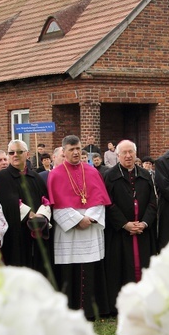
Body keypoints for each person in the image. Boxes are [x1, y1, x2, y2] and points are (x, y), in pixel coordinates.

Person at [48, 135, 111, 319]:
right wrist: (77, 220)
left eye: (78, 149)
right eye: (71, 149)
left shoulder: (92, 172)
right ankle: (71, 311)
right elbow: (55, 205)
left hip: (90, 227)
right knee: (70, 270)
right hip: (69, 231)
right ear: (64, 151)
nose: (76, 152)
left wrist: (88, 218)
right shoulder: (56, 174)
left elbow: (100, 200)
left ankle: (91, 311)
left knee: (90, 268)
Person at [103, 140, 157, 313]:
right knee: (121, 267)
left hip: (142, 230)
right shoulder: (110, 176)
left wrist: (144, 223)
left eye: (131, 152)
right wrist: (125, 224)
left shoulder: (145, 174)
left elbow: (153, 202)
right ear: (117, 156)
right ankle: (122, 305)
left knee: (143, 266)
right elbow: (108, 204)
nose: (128, 156)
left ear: (135, 154)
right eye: (124, 153)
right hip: (121, 232)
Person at [0, 139, 52, 275]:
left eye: (19, 152)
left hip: (38, 231)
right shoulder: (2, 177)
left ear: (27, 154)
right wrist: (30, 215)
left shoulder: (36, 177)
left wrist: (41, 216)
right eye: (11, 152)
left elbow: (46, 199)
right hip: (15, 232)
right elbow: (7, 201)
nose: (15, 155)